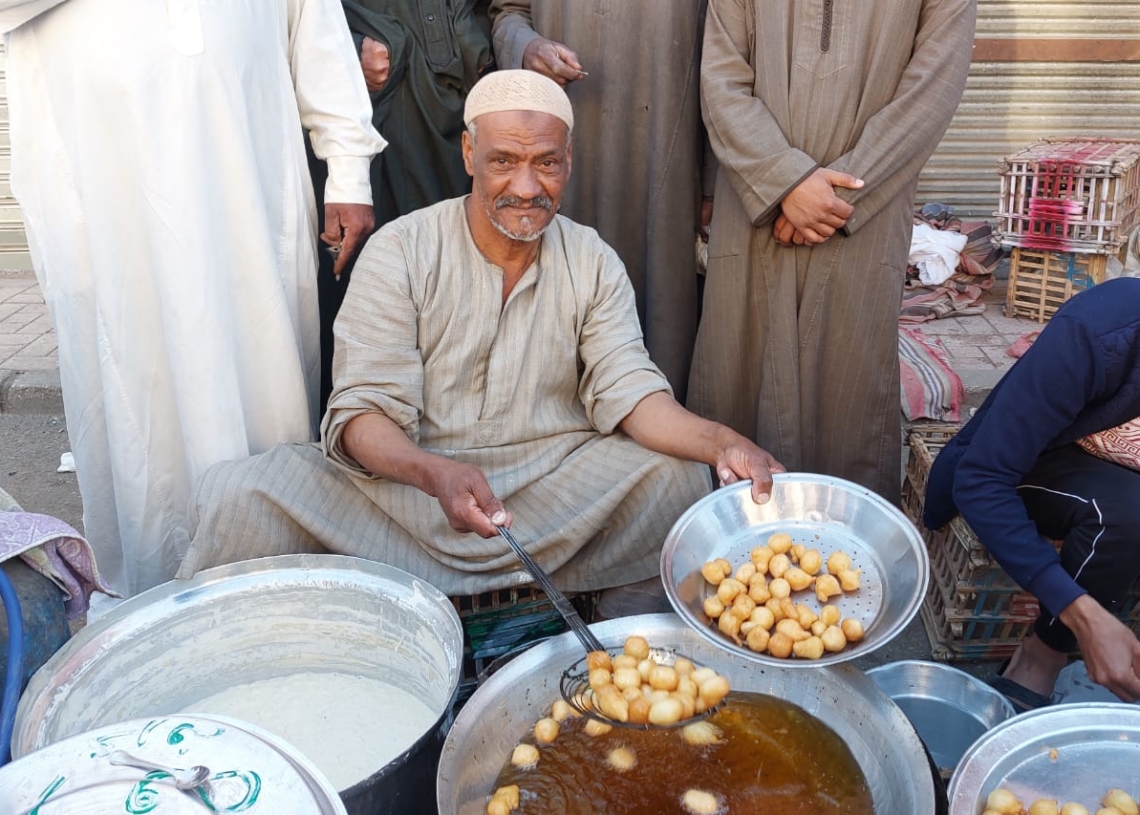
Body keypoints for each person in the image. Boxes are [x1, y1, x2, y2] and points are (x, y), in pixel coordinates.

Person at [179, 71, 783, 616]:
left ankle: (619, 622)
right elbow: (363, 416)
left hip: (548, 491)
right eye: (503, 162)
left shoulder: (593, 259)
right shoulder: (402, 249)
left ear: (569, 162)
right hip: (406, 495)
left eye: (546, 163)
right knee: (242, 496)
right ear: (469, 153)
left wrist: (724, 443)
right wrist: (432, 473)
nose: (526, 187)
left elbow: (634, 396)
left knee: (678, 480)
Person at [3, 0, 386, 597]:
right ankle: (155, 597)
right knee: (140, 395)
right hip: (114, 202)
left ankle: (278, 578)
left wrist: (348, 169)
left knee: (265, 379)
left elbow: (316, 30)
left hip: (247, 192)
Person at [689, 0, 976, 501]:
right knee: (738, 377)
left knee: (848, 398)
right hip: (756, 205)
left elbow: (931, 93)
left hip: (865, 213)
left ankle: (845, 547)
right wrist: (785, 180)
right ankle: (726, 547)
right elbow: (722, 79)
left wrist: (832, 200)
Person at [925, 277, 1140, 709]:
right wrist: (1081, 614)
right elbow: (981, 477)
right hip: (1035, 457)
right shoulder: (1101, 329)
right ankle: (1041, 654)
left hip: (1118, 455)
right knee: (1125, 513)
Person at [489, 0, 711, 401]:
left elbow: (728, 46)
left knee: (655, 342)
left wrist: (711, 184)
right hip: (556, 156)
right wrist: (527, 48)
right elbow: (509, 13)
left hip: (667, 160)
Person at [311, 0, 495, 411]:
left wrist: (474, 46)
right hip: (367, 115)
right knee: (366, 294)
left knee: (458, 284)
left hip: (459, 109)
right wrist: (347, 49)